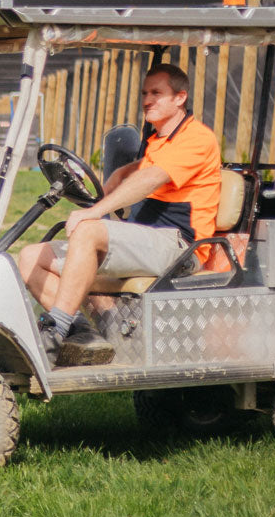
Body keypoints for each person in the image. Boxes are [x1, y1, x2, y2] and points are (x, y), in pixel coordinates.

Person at [18, 63, 222, 366]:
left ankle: (53, 333)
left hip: (181, 246)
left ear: (180, 98)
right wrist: (120, 173)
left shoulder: (196, 138)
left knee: (89, 229)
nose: (147, 100)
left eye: (157, 93)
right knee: (29, 257)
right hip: (150, 240)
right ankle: (84, 335)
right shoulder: (159, 138)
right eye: (144, 93)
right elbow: (142, 167)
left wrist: (96, 211)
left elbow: (151, 177)